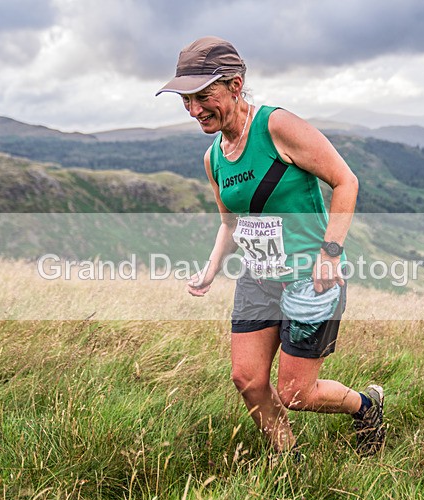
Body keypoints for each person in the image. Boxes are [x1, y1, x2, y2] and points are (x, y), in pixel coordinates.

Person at [156, 36, 385, 456]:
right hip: (258, 279)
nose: (194, 110)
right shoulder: (214, 158)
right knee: (247, 379)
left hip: (308, 279)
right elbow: (230, 222)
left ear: (236, 86)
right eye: (186, 100)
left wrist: (329, 253)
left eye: (204, 96)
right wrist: (210, 271)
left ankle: (366, 406)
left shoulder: (276, 127)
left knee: (297, 393)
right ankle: (290, 464)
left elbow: (345, 180)